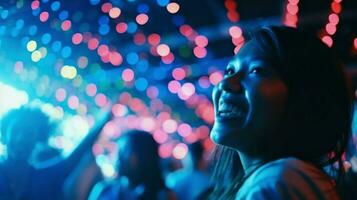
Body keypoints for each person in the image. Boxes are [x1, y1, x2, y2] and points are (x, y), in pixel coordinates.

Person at [209, 26, 354, 199]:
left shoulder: (275, 182)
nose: (225, 83)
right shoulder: (286, 179)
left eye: (256, 70)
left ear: (305, 97)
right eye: (229, 71)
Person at [0, 106, 109, 200]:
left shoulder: (44, 178)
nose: (20, 139)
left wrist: (106, 119)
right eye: (15, 131)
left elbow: (76, 155)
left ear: (38, 140)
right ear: (4, 136)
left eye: (28, 134)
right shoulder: (44, 178)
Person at [89, 130, 176, 200]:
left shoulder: (165, 195)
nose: (118, 157)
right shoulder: (105, 190)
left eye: (124, 151)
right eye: (118, 151)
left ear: (144, 156)